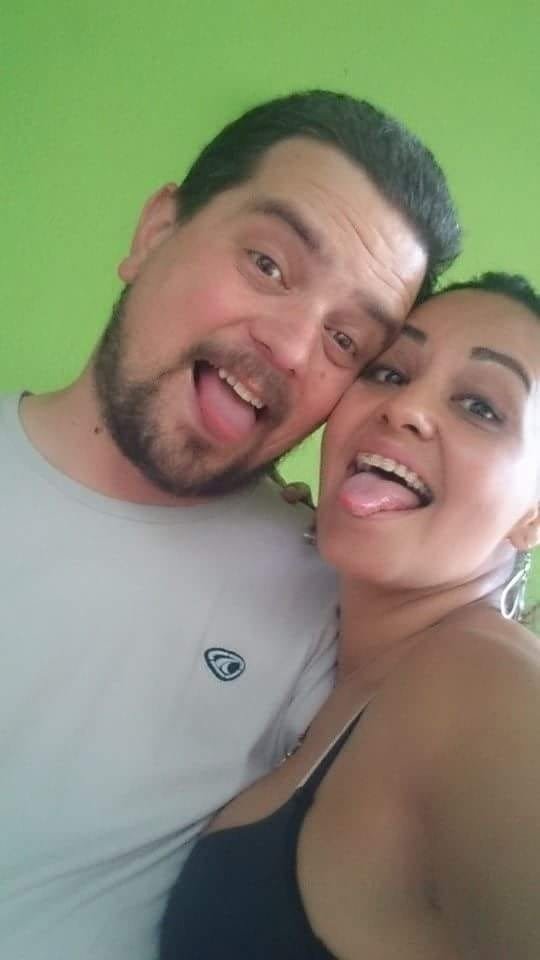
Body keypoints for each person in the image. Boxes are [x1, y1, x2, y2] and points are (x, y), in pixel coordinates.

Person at [0, 90, 459, 959]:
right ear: (155, 232)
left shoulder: (320, 603)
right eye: (269, 264)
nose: (290, 346)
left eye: (347, 342)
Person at [161, 272, 540, 960]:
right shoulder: (337, 647)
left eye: (482, 407)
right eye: (389, 372)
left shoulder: (493, 693)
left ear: (534, 515)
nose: (406, 408)